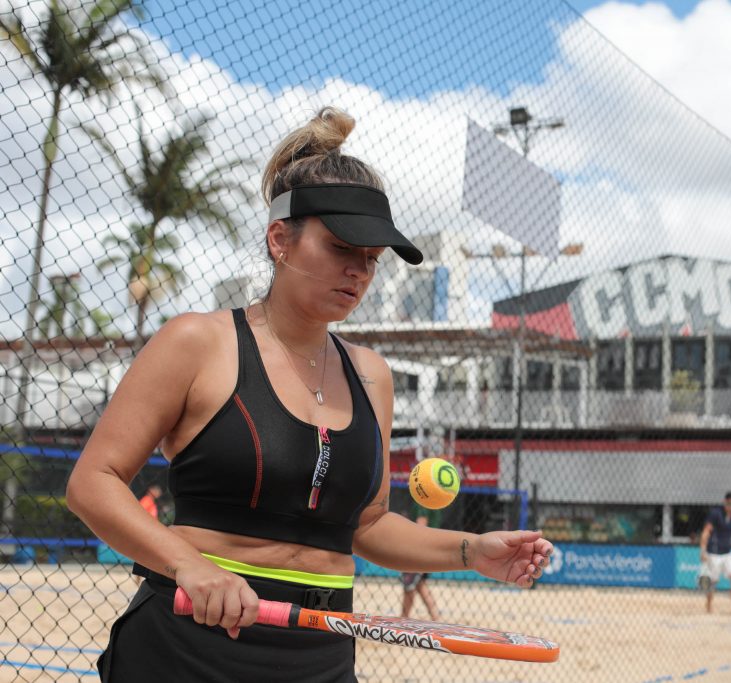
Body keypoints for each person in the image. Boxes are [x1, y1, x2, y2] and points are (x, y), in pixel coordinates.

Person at [66, 106, 554, 682]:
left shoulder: (372, 374)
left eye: (371, 260)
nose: (359, 273)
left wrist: (472, 552)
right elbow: (91, 483)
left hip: (319, 655)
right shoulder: (198, 342)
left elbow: (366, 525)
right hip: (190, 640)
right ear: (281, 240)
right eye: (342, 249)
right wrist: (190, 567)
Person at [699, 491, 731, 613]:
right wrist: (702, 551)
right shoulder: (715, 513)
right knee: (713, 581)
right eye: (729, 502)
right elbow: (706, 532)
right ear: (725, 501)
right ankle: (708, 605)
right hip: (714, 552)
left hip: (727, 552)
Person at [399, 503, 442, 621]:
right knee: (419, 584)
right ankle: (435, 618)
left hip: (419, 551)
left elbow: (420, 529)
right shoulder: (434, 500)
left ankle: (403, 619)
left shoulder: (422, 500)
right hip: (430, 549)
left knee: (409, 584)